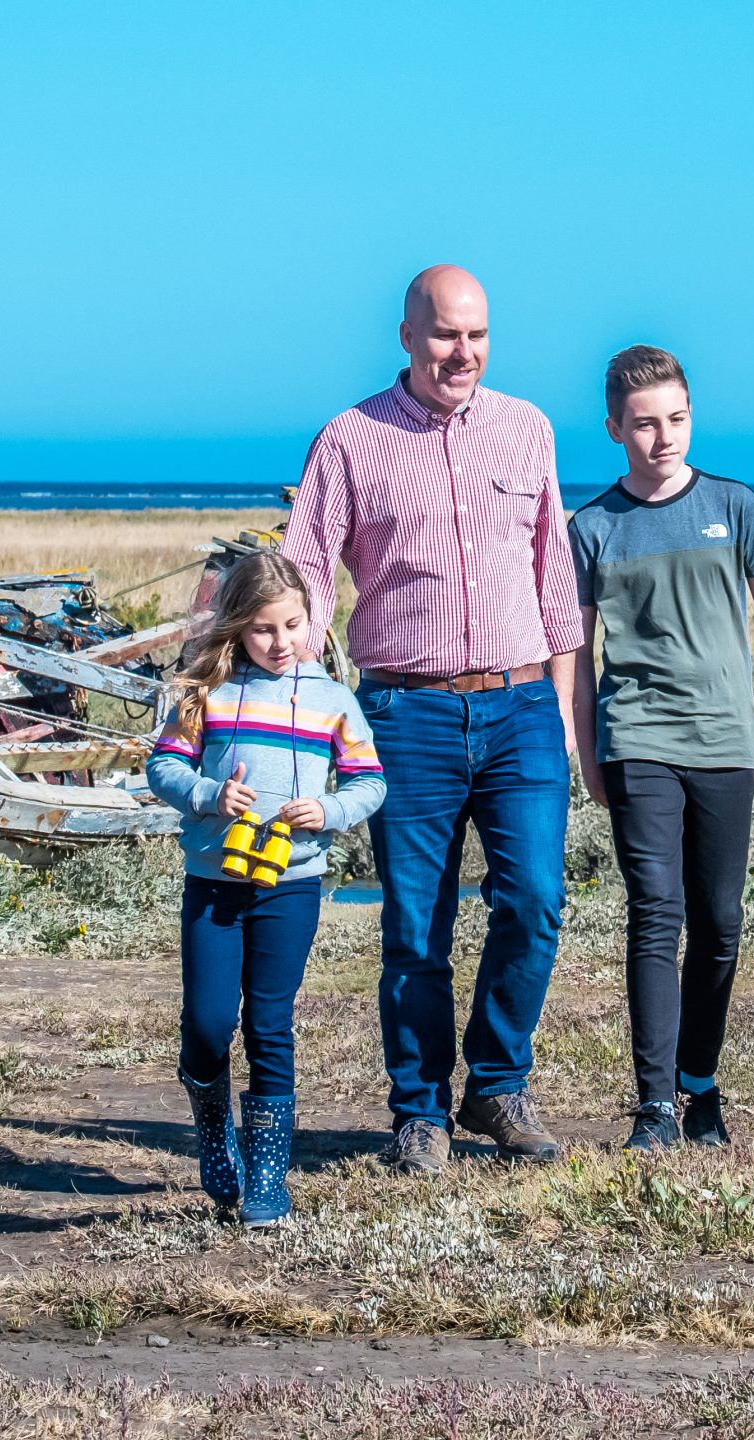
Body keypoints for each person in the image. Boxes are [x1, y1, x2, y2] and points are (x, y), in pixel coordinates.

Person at [281, 265, 583, 1177]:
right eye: (448, 335)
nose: (466, 353)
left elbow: (555, 581)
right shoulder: (348, 439)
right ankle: (419, 1113)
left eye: (479, 335)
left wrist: (565, 719)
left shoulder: (527, 428)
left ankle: (497, 1085)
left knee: (534, 901)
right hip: (403, 713)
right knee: (416, 924)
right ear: (408, 336)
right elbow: (304, 580)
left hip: (523, 704)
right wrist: (290, 705)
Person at [568, 346, 754, 1151]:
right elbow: (576, 649)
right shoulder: (593, 526)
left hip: (726, 740)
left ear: (690, 417)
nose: (663, 438)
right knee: (655, 914)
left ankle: (701, 1084)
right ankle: (655, 1105)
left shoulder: (735, 505)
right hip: (637, 736)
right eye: (644, 424)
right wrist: (584, 749)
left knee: (722, 920)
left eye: (675, 419)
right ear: (613, 429)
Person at [147, 551, 386, 1226]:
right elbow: (162, 769)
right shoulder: (207, 695)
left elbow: (370, 783)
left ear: (312, 620)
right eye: (262, 629)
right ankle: (215, 1131)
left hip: (293, 885)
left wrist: (331, 810)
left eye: (292, 625)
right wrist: (209, 793)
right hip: (214, 885)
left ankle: (268, 1179)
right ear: (236, 629)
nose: (280, 642)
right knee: (209, 1023)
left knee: (270, 1023)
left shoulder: (334, 702)